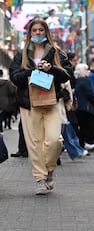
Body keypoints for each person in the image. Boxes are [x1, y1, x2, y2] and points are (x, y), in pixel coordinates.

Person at [9, 17, 72, 195]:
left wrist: (51, 68)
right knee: (35, 144)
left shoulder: (56, 52)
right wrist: (33, 70)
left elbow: (68, 76)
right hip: (29, 104)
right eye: (34, 30)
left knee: (54, 141)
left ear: (46, 32)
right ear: (30, 33)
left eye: (41, 30)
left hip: (51, 102)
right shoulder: (22, 55)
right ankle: (40, 179)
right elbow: (15, 78)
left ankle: (49, 169)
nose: (38, 33)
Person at [74, 63, 94, 151]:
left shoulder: (77, 80)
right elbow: (90, 94)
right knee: (86, 127)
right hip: (86, 107)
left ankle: (81, 144)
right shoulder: (85, 80)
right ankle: (84, 144)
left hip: (78, 107)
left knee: (82, 127)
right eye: (86, 69)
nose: (88, 71)